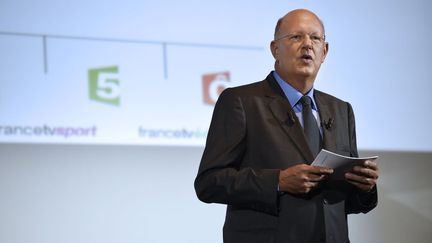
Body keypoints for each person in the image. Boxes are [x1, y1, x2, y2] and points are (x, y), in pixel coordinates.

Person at [194, 9, 379, 243]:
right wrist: (277, 182)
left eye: (315, 38)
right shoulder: (241, 101)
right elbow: (209, 183)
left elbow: (342, 203)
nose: (307, 45)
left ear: (325, 51)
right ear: (275, 49)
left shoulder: (341, 110)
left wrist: (365, 187)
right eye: (296, 37)